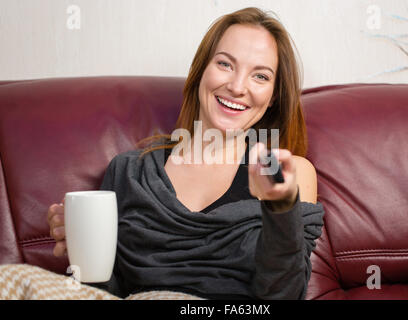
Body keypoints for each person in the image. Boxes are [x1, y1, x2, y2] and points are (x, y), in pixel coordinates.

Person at [13, 7, 324, 300]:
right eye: (225, 64)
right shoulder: (131, 172)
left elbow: (285, 294)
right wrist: (82, 246)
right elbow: (106, 290)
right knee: (9, 279)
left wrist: (278, 208)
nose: (237, 86)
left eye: (260, 76)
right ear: (202, 70)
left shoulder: (287, 172)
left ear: (272, 97)